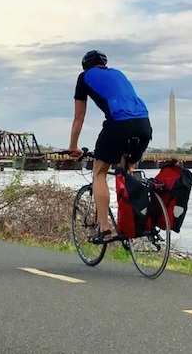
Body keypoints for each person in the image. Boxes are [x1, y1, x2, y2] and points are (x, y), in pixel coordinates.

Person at [68, 50, 152, 242]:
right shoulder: (118, 73)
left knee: (99, 172)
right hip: (144, 124)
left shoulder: (84, 77)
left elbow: (79, 117)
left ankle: (105, 229)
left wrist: (73, 146)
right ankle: (136, 222)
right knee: (128, 170)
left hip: (119, 124)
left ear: (85, 65)